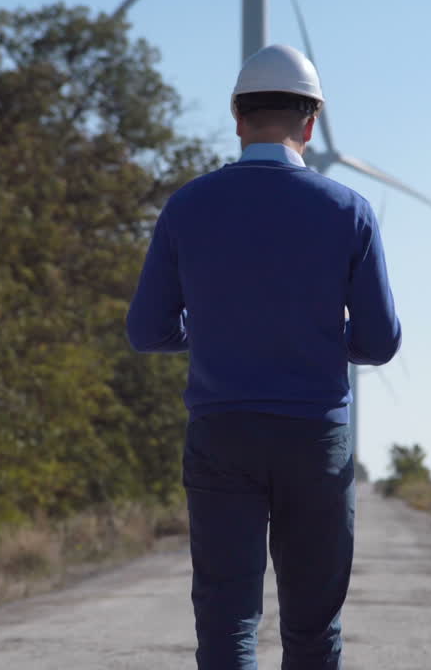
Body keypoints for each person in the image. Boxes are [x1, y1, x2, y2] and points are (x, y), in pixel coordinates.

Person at [127, 43, 401, 670]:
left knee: (227, 622)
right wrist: (321, 342)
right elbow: (382, 342)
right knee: (313, 624)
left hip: (222, 433)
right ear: (311, 123)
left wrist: (218, 334)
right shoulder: (349, 211)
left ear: (237, 118)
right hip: (315, 439)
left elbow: (146, 330)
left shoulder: (186, 206)